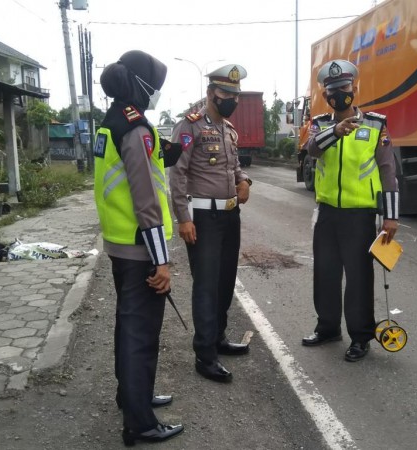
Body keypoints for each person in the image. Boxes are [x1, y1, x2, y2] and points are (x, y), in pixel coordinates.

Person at [94, 50, 183, 445]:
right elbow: (146, 200)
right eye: (156, 87)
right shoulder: (135, 129)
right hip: (140, 248)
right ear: (140, 85)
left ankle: (133, 398)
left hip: (119, 244)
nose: (157, 94)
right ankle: (140, 422)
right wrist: (161, 260)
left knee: (128, 328)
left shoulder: (110, 122)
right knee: (140, 335)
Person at [301, 59, 399, 362]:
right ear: (325, 94)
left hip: (360, 215)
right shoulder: (319, 124)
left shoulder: (375, 124)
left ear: (354, 88)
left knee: (358, 278)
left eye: (343, 88)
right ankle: (328, 327)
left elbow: (387, 172)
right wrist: (336, 132)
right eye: (331, 91)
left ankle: (360, 336)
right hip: (328, 212)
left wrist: (391, 216)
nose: (338, 95)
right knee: (326, 274)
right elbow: (310, 150)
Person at [169, 64, 253, 383]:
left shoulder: (229, 130)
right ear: (210, 93)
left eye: (235, 95)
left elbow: (234, 168)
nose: (230, 99)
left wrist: (245, 181)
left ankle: (217, 337)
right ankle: (205, 355)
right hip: (202, 217)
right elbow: (177, 174)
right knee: (206, 285)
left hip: (230, 214)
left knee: (225, 281)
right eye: (224, 94)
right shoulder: (189, 126)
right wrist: (183, 218)